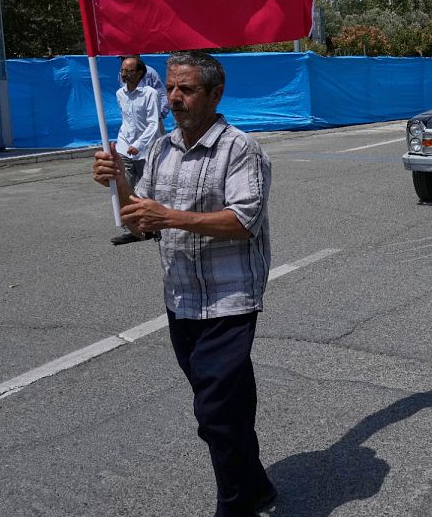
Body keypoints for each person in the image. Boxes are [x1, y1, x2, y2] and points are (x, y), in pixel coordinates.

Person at [92, 51, 278, 515]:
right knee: (227, 406)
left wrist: (170, 216)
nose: (174, 98)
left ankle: (235, 505)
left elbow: (244, 221)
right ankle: (257, 484)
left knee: (214, 413)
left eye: (187, 89)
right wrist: (119, 182)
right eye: (172, 87)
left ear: (215, 95)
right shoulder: (162, 149)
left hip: (230, 300)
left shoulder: (240, 149)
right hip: (181, 299)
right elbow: (141, 221)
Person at [110, 57, 163, 246]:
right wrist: (124, 143)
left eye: (129, 71)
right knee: (124, 186)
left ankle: (155, 226)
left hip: (146, 148)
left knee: (149, 188)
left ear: (140, 73)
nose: (124, 74)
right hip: (125, 146)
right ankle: (134, 229)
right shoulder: (120, 94)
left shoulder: (150, 94)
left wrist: (139, 144)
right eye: (122, 70)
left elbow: (153, 123)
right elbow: (126, 120)